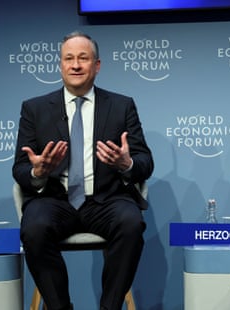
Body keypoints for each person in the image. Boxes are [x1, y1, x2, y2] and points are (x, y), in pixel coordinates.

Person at [12, 31, 154, 310]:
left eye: (83, 58)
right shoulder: (34, 109)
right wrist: (38, 172)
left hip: (107, 200)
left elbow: (145, 162)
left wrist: (126, 164)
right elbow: (20, 168)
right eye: (69, 58)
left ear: (96, 66)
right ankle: (59, 306)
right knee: (34, 228)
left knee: (131, 223)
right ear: (60, 65)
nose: (76, 65)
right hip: (54, 200)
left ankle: (110, 306)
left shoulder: (121, 106)